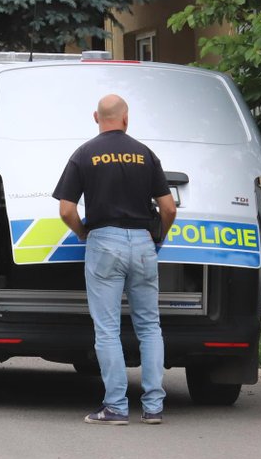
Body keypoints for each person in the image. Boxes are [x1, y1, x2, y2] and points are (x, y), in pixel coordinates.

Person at [53, 94, 177, 426]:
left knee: (107, 329)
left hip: (104, 242)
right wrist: (158, 236)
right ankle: (153, 407)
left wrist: (82, 233)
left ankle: (116, 408)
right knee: (150, 327)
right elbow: (168, 208)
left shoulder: (84, 154)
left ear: (97, 117)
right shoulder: (145, 154)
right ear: (126, 118)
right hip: (142, 244)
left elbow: (66, 209)